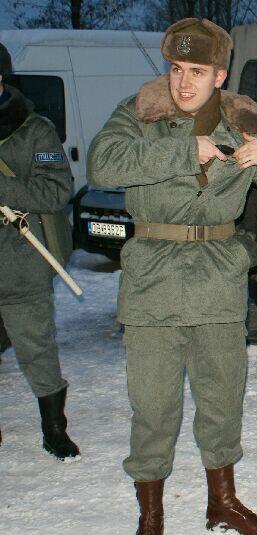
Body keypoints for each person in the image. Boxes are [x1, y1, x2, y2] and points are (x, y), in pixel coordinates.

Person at [87, 18, 257, 535]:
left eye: (197, 71)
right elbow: (103, 163)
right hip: (152, 279)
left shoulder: (244, 125)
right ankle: (151, 515)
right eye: (175, 68)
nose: (183, 82)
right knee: (153, 405)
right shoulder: (140, 113)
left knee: (222, 398)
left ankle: (223, 502)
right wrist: (182, 150)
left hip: (217, 277)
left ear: (220, 75)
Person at [0, 41, 79, 460]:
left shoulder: (35, 130)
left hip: (21, 261)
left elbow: (56, 190)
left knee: (36, 349)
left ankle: (54, 429)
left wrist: (3, 188)